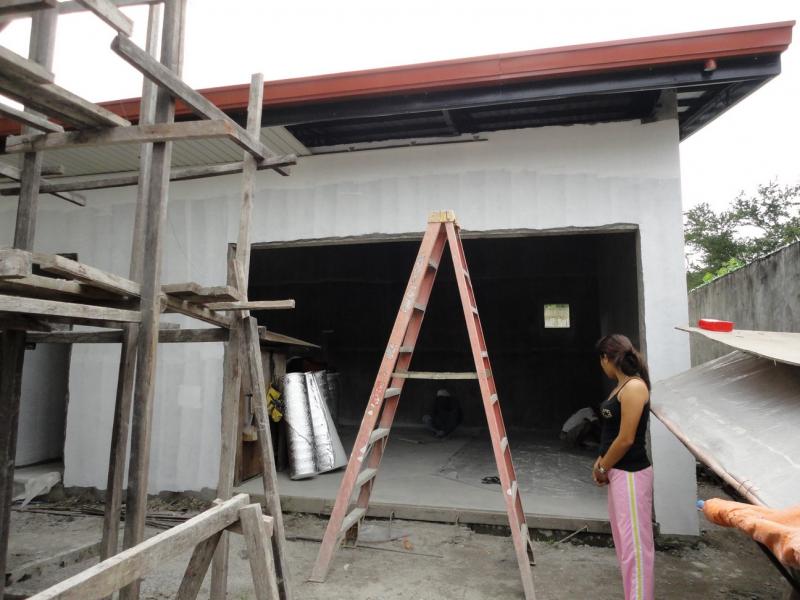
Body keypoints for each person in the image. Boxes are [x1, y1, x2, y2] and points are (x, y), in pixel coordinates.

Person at [593, 334, 654, 600]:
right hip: (618, 473)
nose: (601, 366)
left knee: (635, 548)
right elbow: (611, 431)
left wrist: (603, 467)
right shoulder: (620, 387)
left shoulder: (634, 387)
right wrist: (601, 462)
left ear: (607, 358)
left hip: (630, 474)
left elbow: (627, 438)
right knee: (623, 542)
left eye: (601, 360)